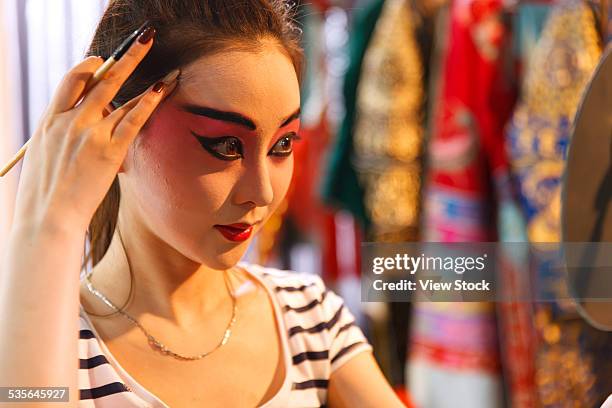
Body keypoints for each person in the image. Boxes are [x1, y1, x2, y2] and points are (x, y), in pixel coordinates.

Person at [0, 0, 405, 407]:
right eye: (227, 146)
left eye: (282, 144)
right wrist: (50, 227)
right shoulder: (44, 349)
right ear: (118, 130)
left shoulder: (310, 318)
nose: (262, 192)